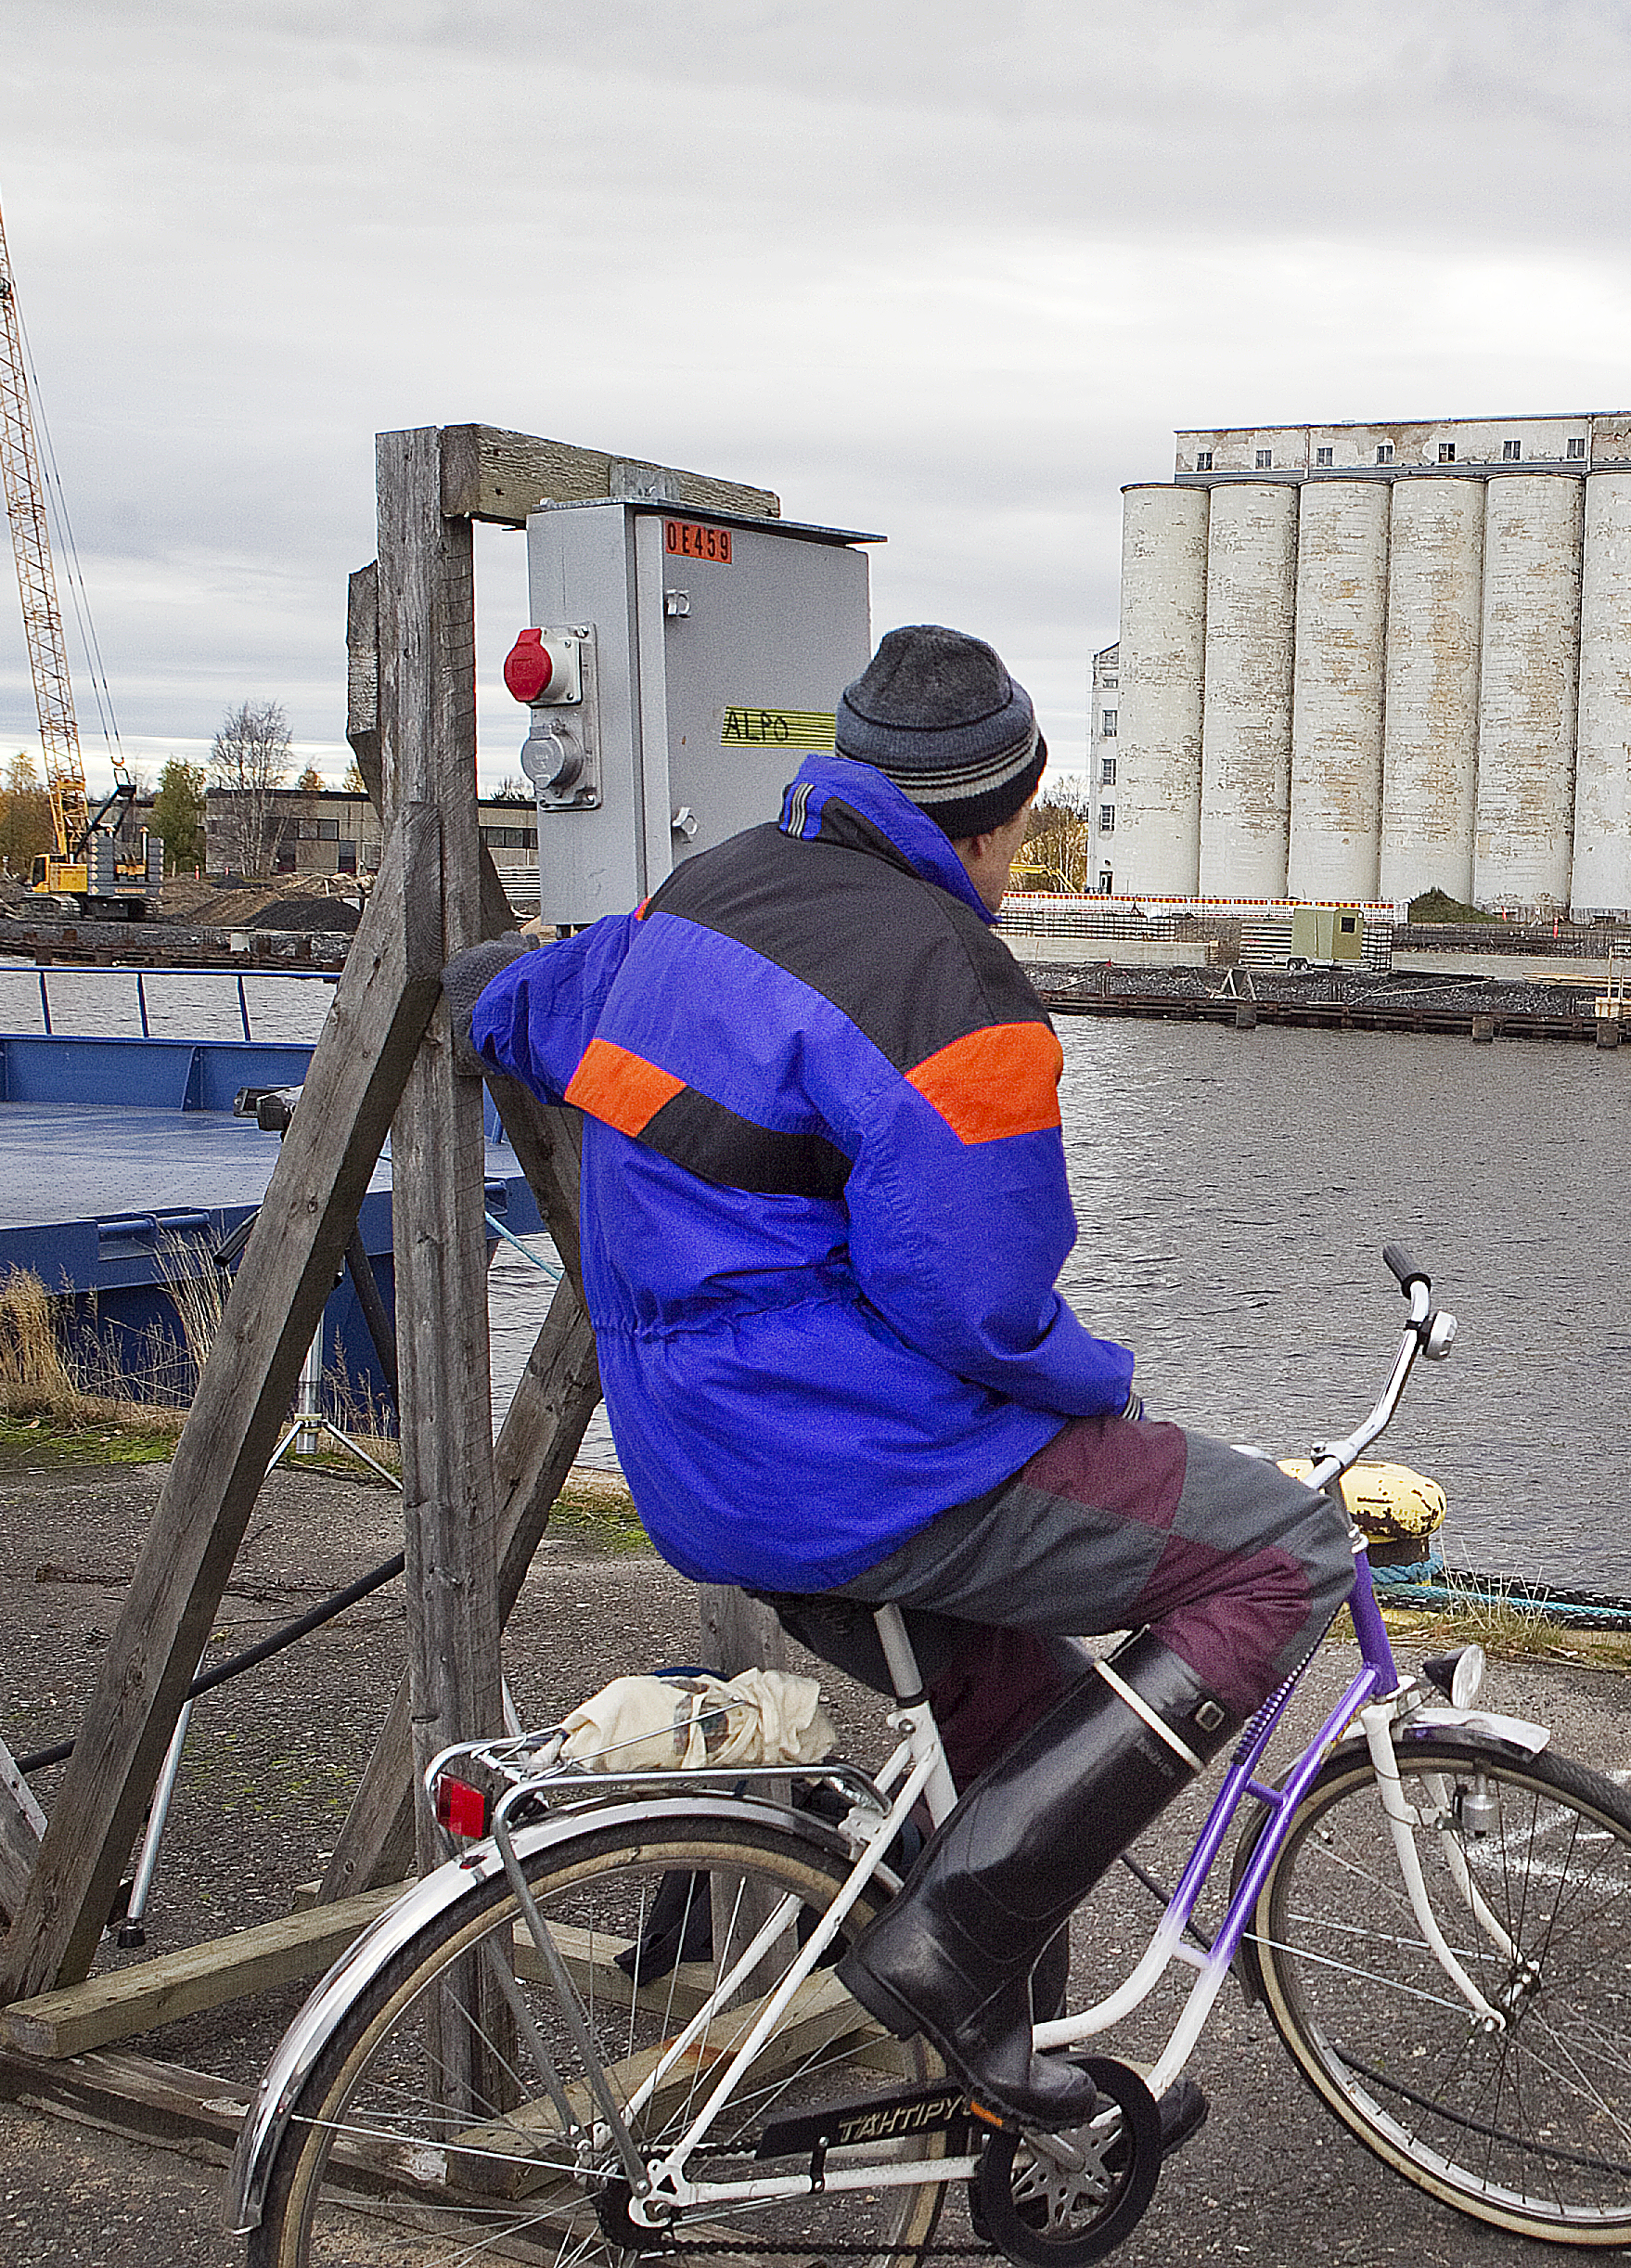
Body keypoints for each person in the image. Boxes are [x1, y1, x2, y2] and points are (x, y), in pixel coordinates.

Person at [452, 625, 1352, 2130]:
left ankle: (1002, 2108)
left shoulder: (704, 897)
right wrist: (1104, 1389)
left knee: (1021, 1731)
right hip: (856, 1468)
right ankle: (941, 1953)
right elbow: (979, 1304)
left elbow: (534, 1005)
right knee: (1283, 1550)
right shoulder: (950, 981)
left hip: (694, 1461)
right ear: (1008, 812)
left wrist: (475, 982)